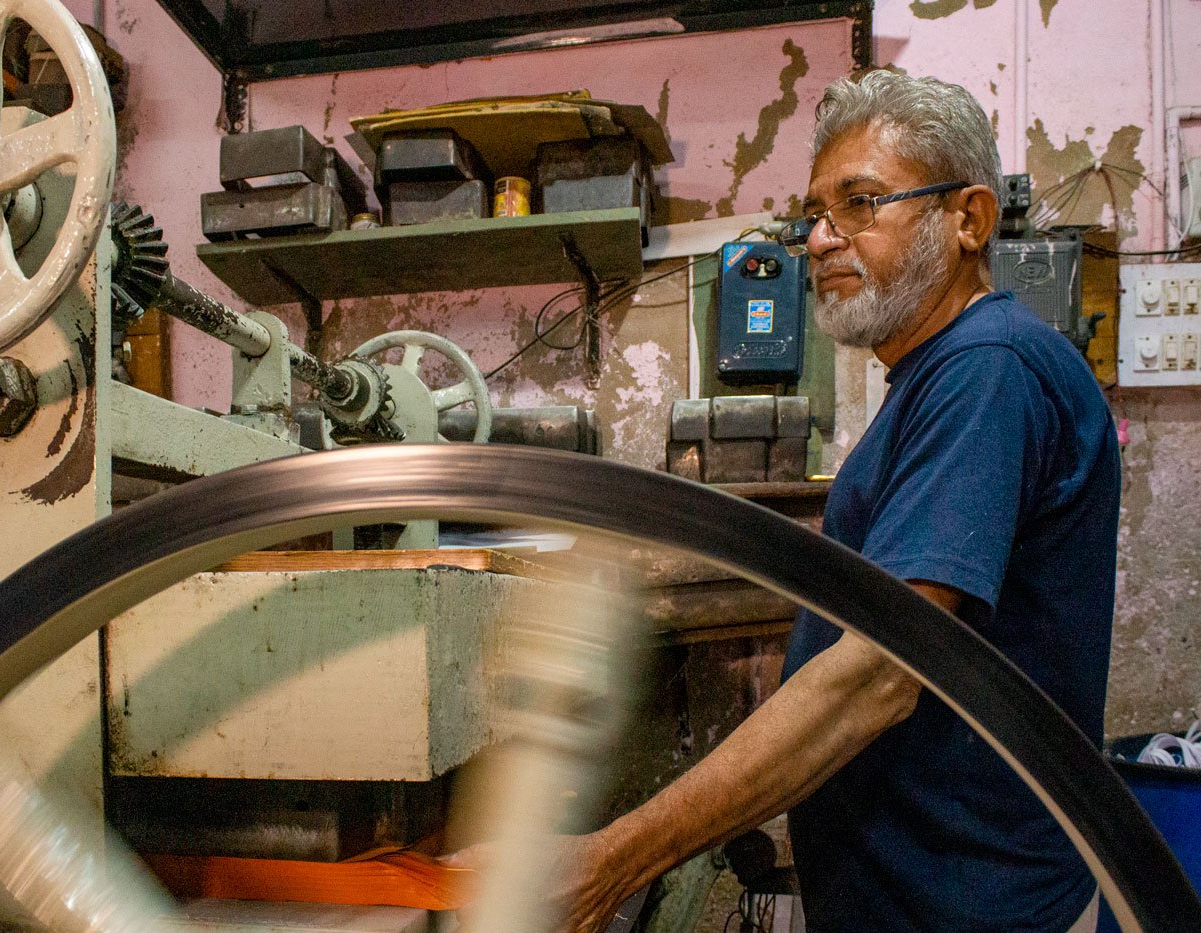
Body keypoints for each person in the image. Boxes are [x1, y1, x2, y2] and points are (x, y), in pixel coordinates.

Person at [454, 71, 1121, 932]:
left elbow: (880, 673)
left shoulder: (987, 368)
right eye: (815, 211)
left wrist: (611, 859)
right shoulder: (933, 378)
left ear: (969, 219)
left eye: (860, 203)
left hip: (971, 906)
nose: (819, 238)